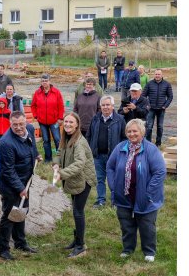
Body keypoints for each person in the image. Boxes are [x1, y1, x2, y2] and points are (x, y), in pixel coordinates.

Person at [107, 118, 166, 262]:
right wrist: (114, 186)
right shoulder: (120, 147)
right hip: (124, 195)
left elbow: (160, 172)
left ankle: (149, 251)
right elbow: (110, 167)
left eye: (135, 131)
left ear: (142, 132)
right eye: (129, 131)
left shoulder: (151, 149)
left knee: (147, 224)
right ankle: (128, 248)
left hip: (145, 196)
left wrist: (149, 192)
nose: (131, 134)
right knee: (126, 223)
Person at [0, 111, 40, 260]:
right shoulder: (6, 143)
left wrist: (36, 154)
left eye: (21, 124)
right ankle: (3, 249)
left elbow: (32, 145)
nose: (19, 127)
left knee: (22, 211)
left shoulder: (30, 130)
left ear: (26, 121)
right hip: (10, 185)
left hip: (24, 182)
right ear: (10, 124)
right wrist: (20, 188)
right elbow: (8, 171)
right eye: (15, 125)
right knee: (10, 215)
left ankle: (20, 243)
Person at [53, 112, 97, 259]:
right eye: (66, 122)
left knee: (78, 212)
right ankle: (77, 240)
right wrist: (56, 164)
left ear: (77, 124)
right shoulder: (66, 137)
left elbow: (79, 163)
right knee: (75, 210)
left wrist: (62, 174)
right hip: (74, 178)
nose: (68, 125)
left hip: (84, 179)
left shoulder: (79, 142)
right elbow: (59, 152)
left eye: (71, 122)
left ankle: (80, 245)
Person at [88, 95, 126, 209]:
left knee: (114, 180)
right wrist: (90, 148)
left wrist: (121, 153)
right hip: (98, 156)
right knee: (100, 179)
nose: (105, 107)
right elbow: (89, 135)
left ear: (113, 106)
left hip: (114, 157)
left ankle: (115, 201)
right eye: (103, 105)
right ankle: (100, 200)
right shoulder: (95, 118)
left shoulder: (120, 119)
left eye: (108, 105)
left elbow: (125, 138)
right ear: (100, 106)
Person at [31, 73, 64, 163]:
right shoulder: (37, 93)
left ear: (50, 81)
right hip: (42, 122)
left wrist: (60, 118)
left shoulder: (56, 92)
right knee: (46, 140)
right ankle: (48, 158)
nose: (44, 82)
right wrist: (36, 116)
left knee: (57, 139)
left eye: (46, 81)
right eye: (43, 81)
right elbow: (33, 105)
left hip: (54, 121)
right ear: (41, 82)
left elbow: (61, 106)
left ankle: (60, 159)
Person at [141, 69, 174, 147]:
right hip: (151, 109)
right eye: (156, 74)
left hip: (161, 109)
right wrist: (147, 105)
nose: (157, 76)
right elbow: (143, 95)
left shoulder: (167, 84)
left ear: (162, 75)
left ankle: (158, 143)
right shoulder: (149, 84)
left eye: (159, 74)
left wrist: (165, 106)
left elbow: (170, 96)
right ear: (154, 75)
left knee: (160, 127)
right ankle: (148, 143)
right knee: (149, 126)